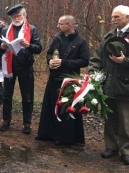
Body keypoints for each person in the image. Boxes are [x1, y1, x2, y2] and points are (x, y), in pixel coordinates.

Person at [89, 5, 129, 166]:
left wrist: (125, 61)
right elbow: (97, 56)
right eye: (112, 16)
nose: (113, 19)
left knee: (126, 120)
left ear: (127, 18)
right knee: (110, 117)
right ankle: (111, 146)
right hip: (108, 84)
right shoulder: (110, 35)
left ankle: (127, 151)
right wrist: (93, 73)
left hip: (128, 85)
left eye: (117, 17)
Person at [36, 15, 89, 145]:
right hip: (54, 78)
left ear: (69, 25)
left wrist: (64, 62)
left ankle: (64, 137)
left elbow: (84, 61)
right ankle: (46, 134)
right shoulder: (58, 38)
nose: (58, 26)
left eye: (60, 24)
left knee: (65, 108)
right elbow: (49, 53)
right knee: (50, 105)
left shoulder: (81, 41)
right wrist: (50, 61)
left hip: (70, 81)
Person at [0, 4, 42, 134]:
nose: (16, 18)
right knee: (6, 95)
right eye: (14, 16)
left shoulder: (32, 29)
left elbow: (38, 48)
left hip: (25, 66)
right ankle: (6, 121)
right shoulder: (5, 29)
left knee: (27, 96)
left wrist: (29, 46)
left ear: (24, 15)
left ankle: (27, 123)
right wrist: (2, 47)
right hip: (9, 66)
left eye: (19, 16)